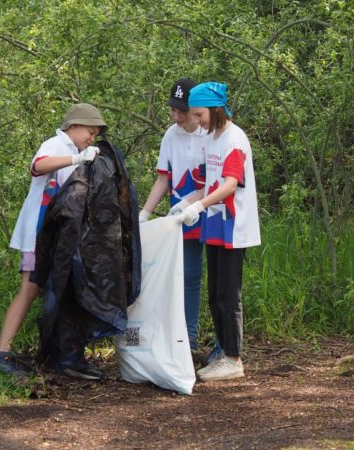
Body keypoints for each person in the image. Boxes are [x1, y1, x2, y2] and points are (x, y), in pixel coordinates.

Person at [0, 103, 107, 376]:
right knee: (29, 289)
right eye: (90, 130)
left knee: (66, 291)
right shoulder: (56, 144)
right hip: (38, 234)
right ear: (74, 126)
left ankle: (66, 357)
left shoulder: (78, 152)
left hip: (60, 238)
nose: (92, 137)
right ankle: (0, 354)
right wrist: (77, 159)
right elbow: (38, 166)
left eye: (96, 134)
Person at [175, 82, 261, 381]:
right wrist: (185, 203)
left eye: (199, 114)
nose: (196, 120)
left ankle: (233, 358)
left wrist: (198, 208)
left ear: (215, 109)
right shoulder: (213, 138)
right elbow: (205, 183)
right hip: (214, 224)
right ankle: (224, 352)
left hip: (232, 226)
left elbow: (228, 185)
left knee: (228, 293)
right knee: (215, 293)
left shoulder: (234, 140)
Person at [139, 77, 209, 350]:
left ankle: (204, 337)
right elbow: (163, 179)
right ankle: (184, 338)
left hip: (208, 210)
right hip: (180, 215)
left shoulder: (209, 133)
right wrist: (145, 213)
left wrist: (193, 201)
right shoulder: (171, 135)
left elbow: (213, 181)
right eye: (173, 109)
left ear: (195, 110)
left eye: (181, 110)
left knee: (210, 276)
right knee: (186, 273)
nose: (175, 115)